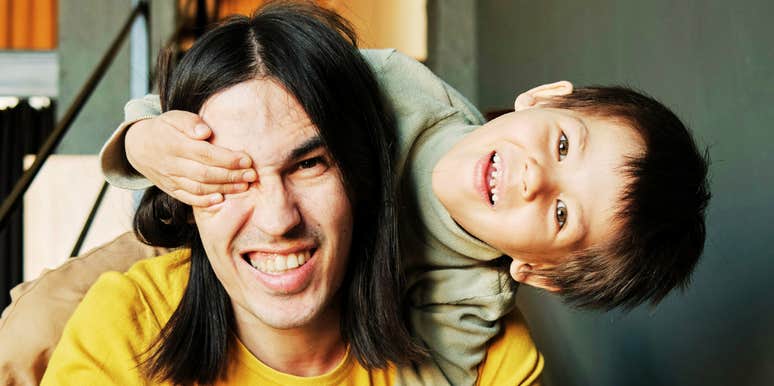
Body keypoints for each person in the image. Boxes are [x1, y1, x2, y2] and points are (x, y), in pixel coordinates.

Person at [105, 15, 711, 386]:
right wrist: (142, 141)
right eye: (561, 144)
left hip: (299, 293)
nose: (534, 179)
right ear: (544, 98)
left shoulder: (470, 298)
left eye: (561, 214)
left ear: (539, 272)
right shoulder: (399, 86)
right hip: (217, 229)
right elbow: (245, 100)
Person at [39, 3, 543, 385]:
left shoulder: (485, 352)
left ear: (361, 177)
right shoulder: (124, 329)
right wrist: (137, 138)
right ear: (184, 197)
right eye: (232, 175)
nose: (278, 219)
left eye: (308, 165)